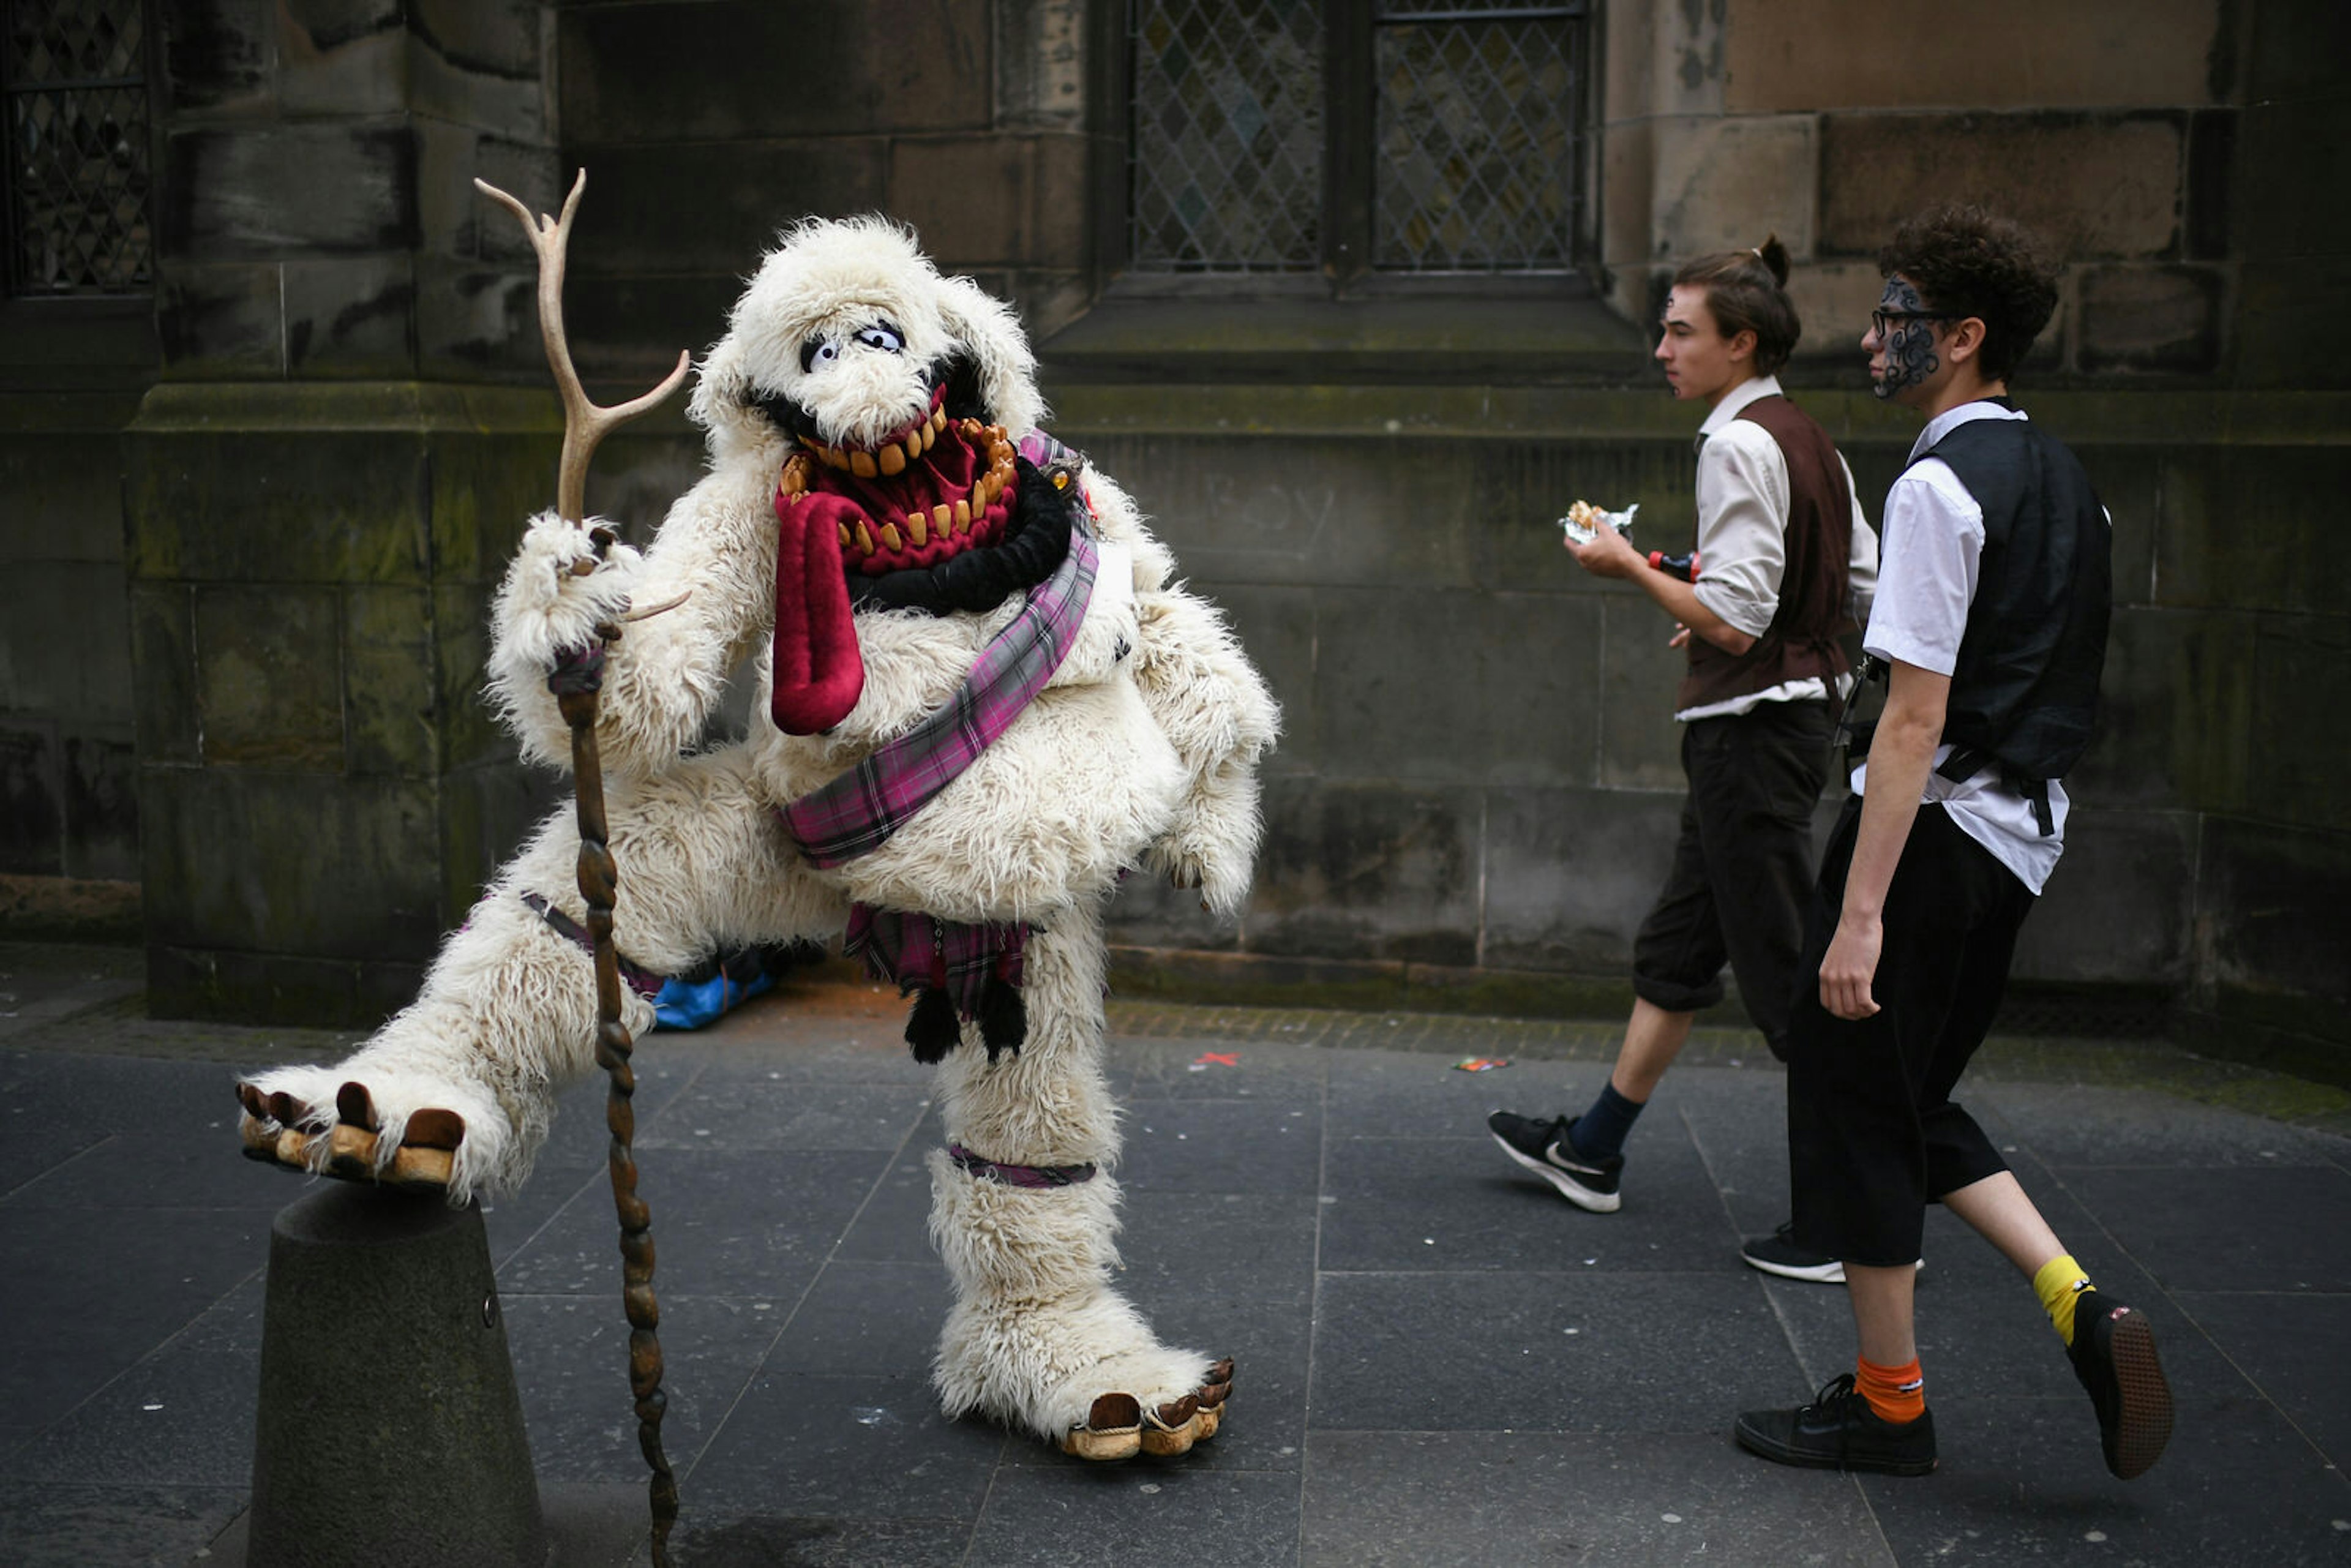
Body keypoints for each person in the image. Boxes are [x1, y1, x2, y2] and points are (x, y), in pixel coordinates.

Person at [1733, 204, 2170, 1481]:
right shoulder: (2067, 481)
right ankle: (2079, 1304)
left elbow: (1917, 714)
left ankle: (1889, 1406)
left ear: (1965, 336)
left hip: (1925, 838)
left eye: (1897, 318)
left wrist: (1858, 911)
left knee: (1859, 1105)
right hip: (2019, 843)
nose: (1875, 338)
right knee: (1909, 1097)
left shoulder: (1935, 481)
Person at [1488, 237, 1877, 1290]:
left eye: (1680, 330)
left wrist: (1627, 565)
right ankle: (1593, 1147)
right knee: (1680, 941)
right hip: (1761, 730)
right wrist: (1701, 601)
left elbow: (1746, 622)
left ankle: (1852, 1218)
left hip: (1755, 736)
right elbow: (1857, 584)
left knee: (1791, 972)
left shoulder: (1738, 444)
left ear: (1740, 342)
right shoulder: (1809, 439)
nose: (1662, 345)